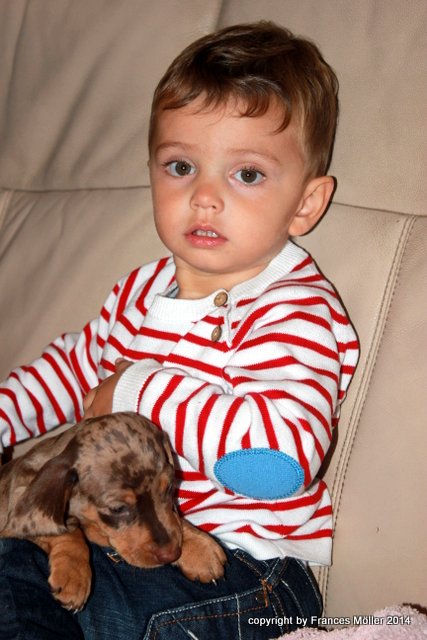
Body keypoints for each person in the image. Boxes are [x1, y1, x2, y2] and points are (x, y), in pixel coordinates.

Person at [0, 21, 359, 639]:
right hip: (131, 550)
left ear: (305, 203)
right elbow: (69, 371)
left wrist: (137, 389)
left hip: (249, 572)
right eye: (181, 166)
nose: (204, 196)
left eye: (247, 174)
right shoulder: (139, 291)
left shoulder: (293, 309)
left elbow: (276, 462)